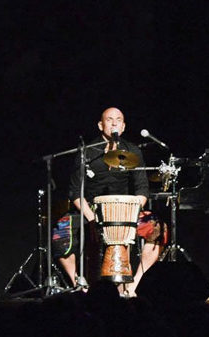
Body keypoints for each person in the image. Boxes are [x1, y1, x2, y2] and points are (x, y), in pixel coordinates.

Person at [58, 107, 160, 295]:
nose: (114, 123)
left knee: (156, 230)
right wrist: (90, 218)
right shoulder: (87, 152)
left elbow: (142, 189)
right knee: (60, 232)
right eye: (109, 119)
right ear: (100, 125)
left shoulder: (133, 151)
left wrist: (131, 214)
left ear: (123, 126)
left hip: (126, 213)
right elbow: (74, 192)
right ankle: (80, 286)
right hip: (91, 211)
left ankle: (133, 285)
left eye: (118, 120)